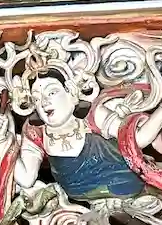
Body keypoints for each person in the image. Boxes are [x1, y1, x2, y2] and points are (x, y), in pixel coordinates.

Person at [13, 73, 145, 200]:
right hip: (79, 204)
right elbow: (26, 179)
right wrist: (4, 140)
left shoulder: (93, 115)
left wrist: (161, 111)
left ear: (70, 91)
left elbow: (138, 140)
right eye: (36, 99)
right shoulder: (36, 133)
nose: (44, 103)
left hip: (129, 191)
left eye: (52, 92)